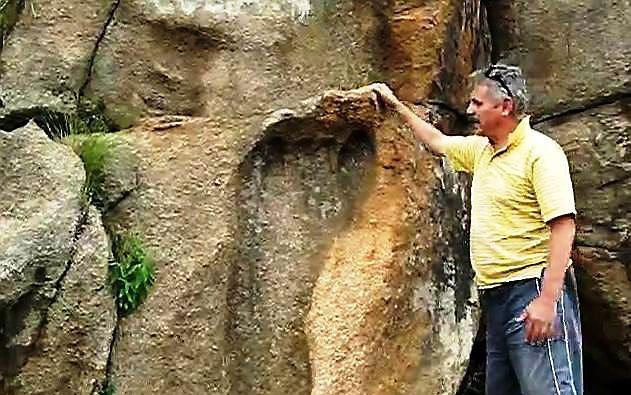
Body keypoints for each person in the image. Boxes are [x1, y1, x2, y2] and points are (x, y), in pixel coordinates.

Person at [371, 64, 582, 395]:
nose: (469, 111)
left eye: (477, 104)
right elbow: (437, 141)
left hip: (531, 291)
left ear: (505, 106)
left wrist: (547, 301)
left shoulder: (540, 153)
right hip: (495, 298)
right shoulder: (481, 151)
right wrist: (394, 105)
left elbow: (563, 226)